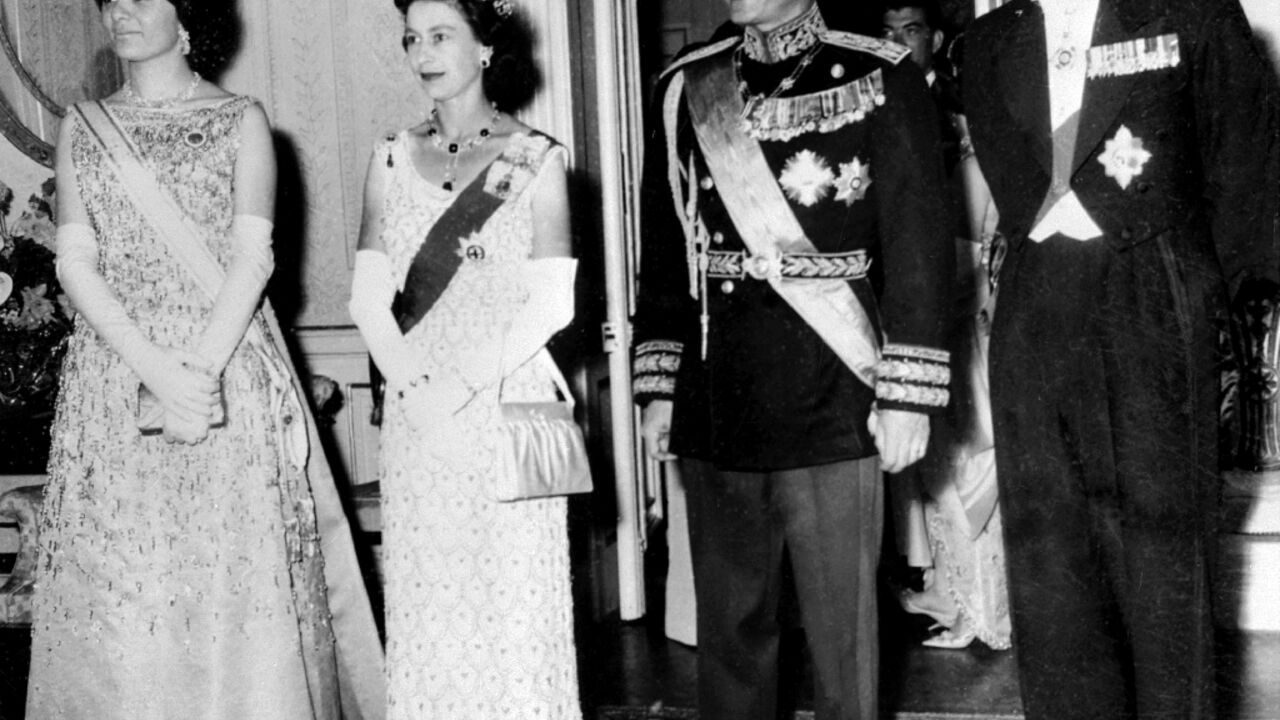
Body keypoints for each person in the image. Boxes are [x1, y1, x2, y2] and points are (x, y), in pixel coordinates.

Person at [29, 0, 386, 718]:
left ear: (188, 13)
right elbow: (75, 260)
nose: (119, 11)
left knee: (230, 586)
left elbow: (252, 259)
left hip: (225, 376)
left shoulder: (242, 119)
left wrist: (196, 371)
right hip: (115, 381)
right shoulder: (82, 126)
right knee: (128, 594)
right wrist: (152, 369)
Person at [631, 0, 952, 717]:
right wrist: (660, 386)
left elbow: (920, 249)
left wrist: (908, 395)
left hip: (835, 396)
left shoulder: (881, 77)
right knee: (731, 644)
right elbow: (663, 256)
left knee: (844, 646)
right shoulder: (686, 87)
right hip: (720, 395)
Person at [963, 0, 1280, 717]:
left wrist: (1196, 291)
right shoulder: (988, 39)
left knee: (1163, 574)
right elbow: (1011, 174)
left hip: (1152, 296)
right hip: (1035, 309)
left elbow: (1245, 166)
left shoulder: (1191, 16)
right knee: (1051, 572)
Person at [347, 1, 580, 718]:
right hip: (421, 417)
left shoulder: (536, 157)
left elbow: (552, 303)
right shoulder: (389, 156)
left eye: (441, 35)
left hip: (505, 402)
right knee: (431, 605)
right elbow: (365, 296)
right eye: (413, 38)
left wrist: (459, 383)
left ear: (485, 48)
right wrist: (417, 387)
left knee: (513, 608)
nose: (423, 52)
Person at [881, 0, 1011, 651]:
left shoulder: (969, 163)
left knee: (964, 475)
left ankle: (977, 612)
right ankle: (967, 601)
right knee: (959, 476)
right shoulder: (983, 155)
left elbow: (963, 266)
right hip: (971, 330)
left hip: (967, 333)